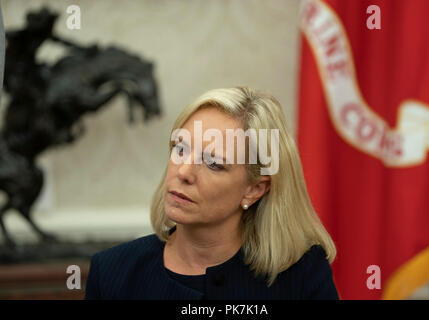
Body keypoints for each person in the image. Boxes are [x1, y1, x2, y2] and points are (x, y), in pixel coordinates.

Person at [85, 86, 339, 300]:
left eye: (214, 163)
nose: (183, 171)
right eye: (181, 148)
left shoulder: (303, 275)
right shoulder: (111, 273)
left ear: (254, 189)